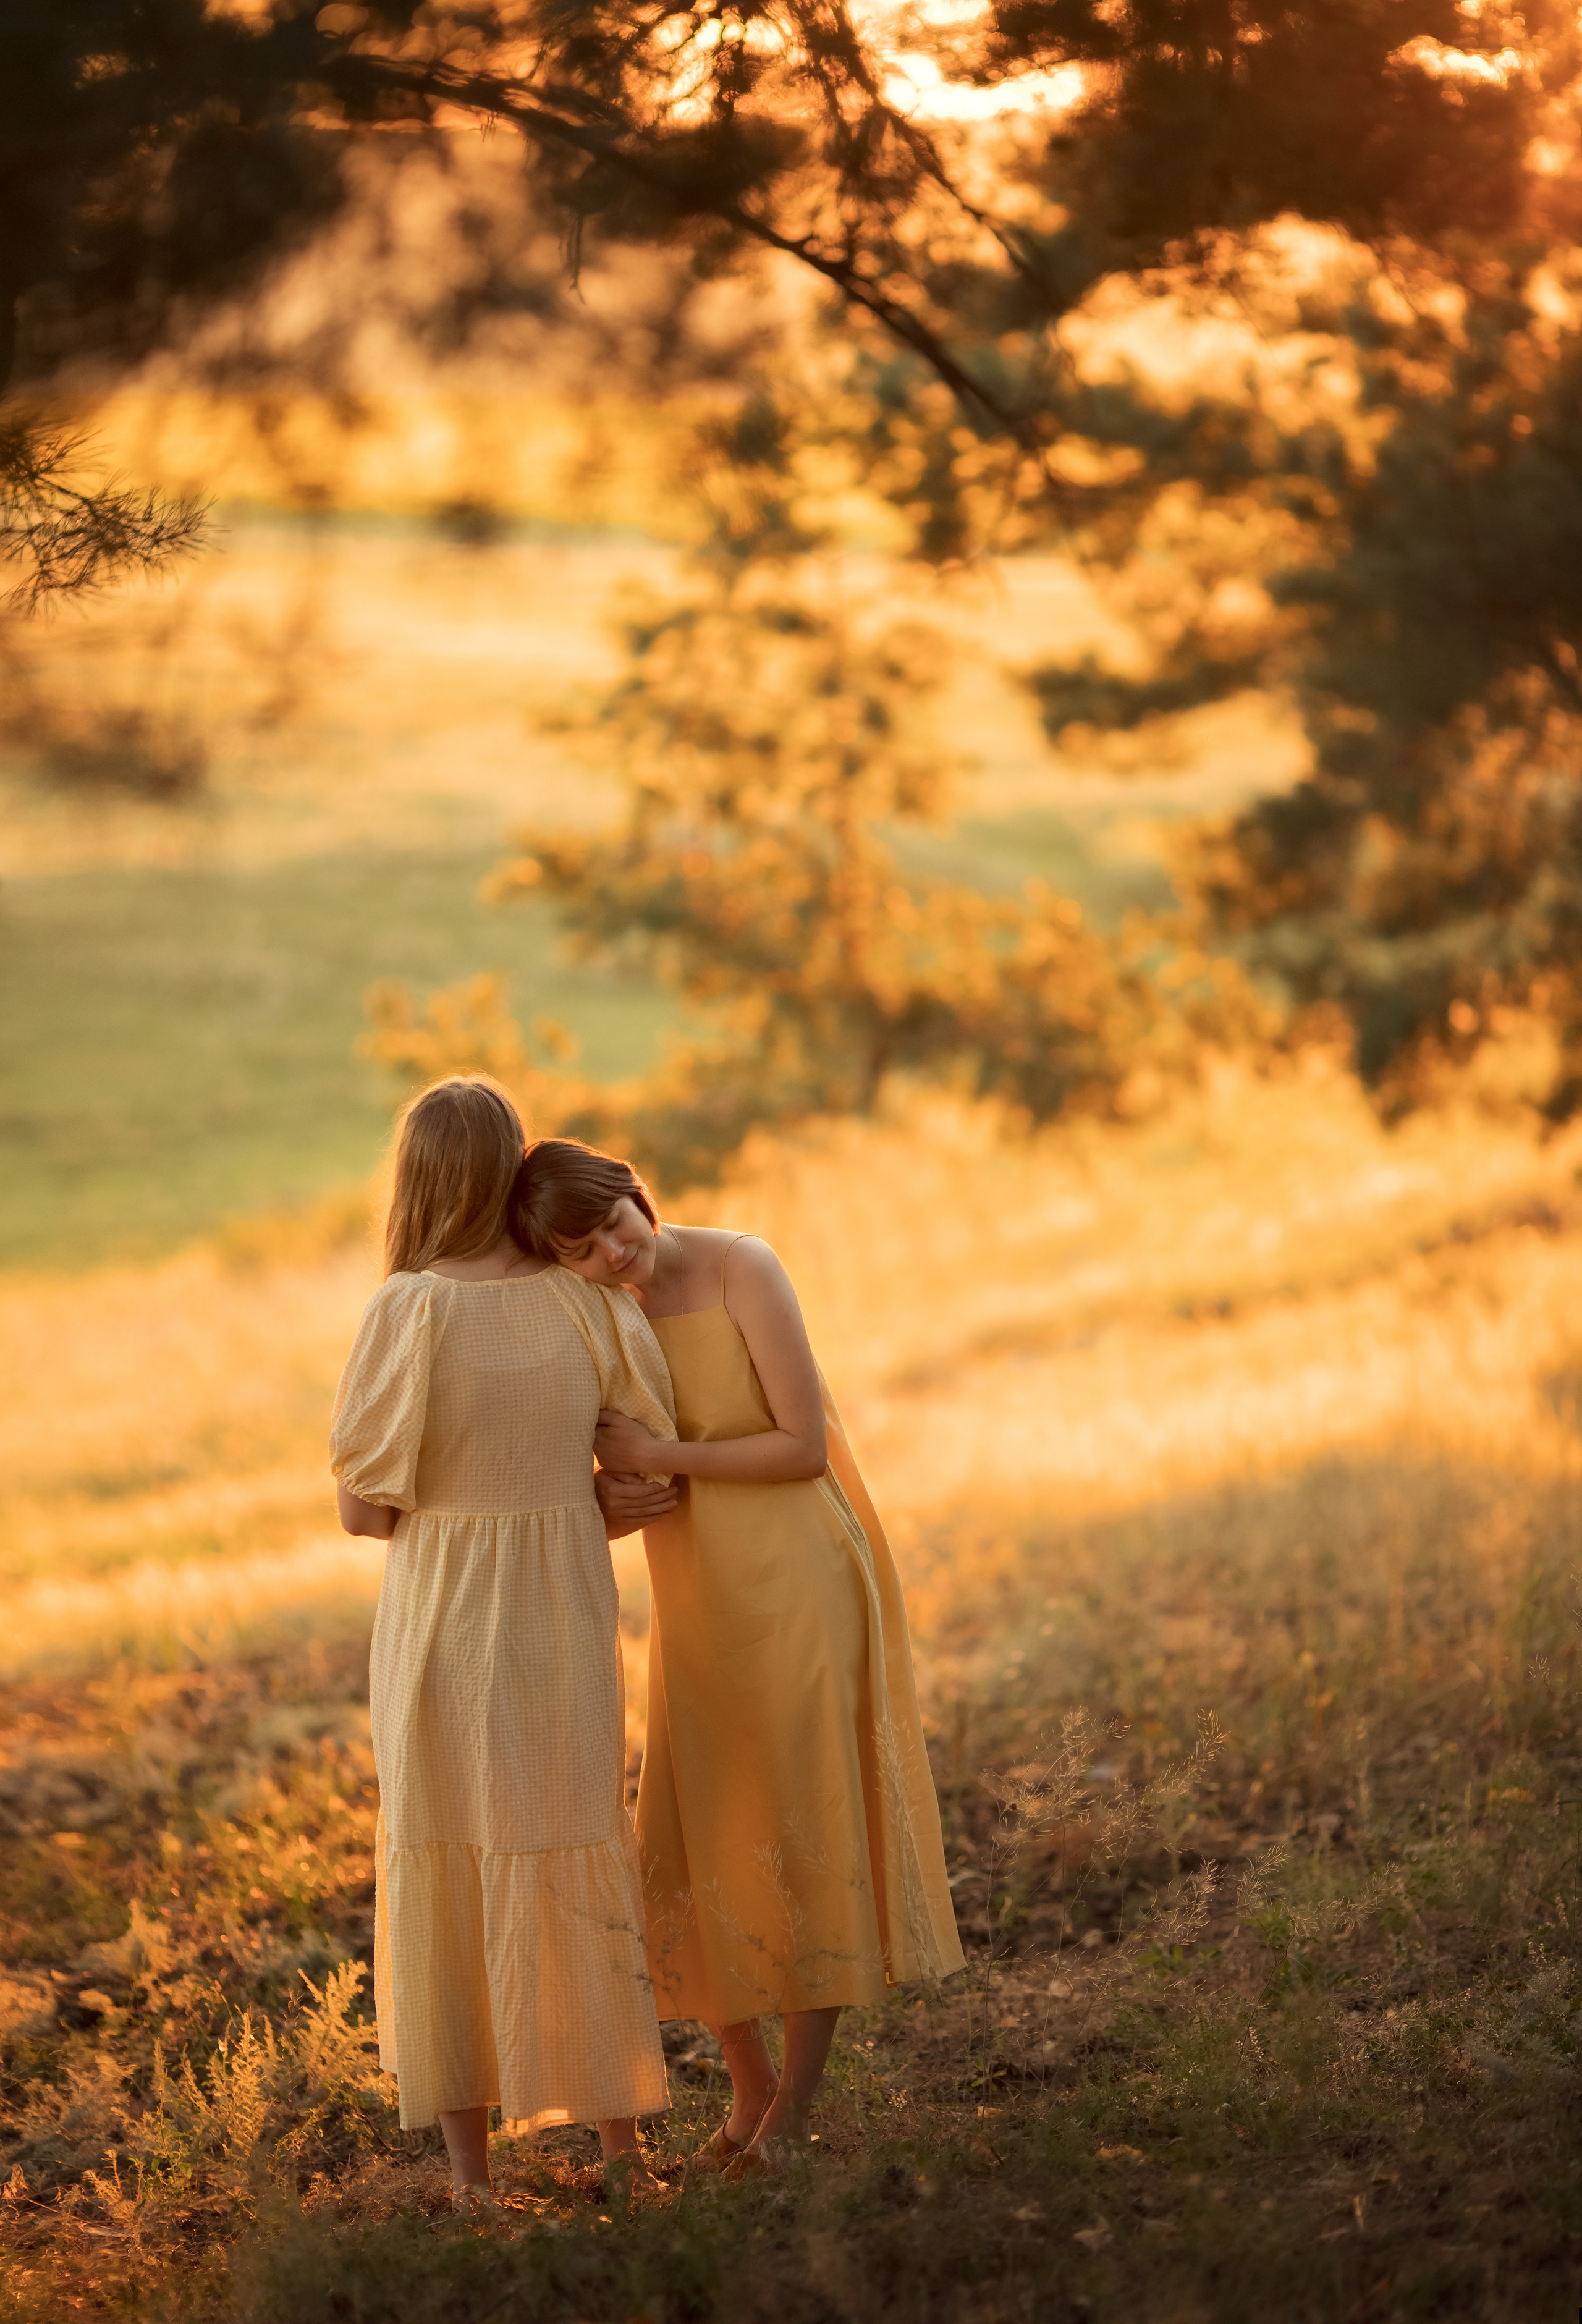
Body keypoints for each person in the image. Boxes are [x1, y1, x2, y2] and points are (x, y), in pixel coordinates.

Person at [515, 1138, 965, 2176]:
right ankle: (750, 2084)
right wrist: (606, 1495)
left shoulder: (739, 1266)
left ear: (636, 1187)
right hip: (697, 1601)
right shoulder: (594, 1312)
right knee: (691, 1833)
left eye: (614, 1222)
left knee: (806, 1823)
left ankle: (793, 2115)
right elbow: (613, 1478)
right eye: (580, 1251)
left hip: (799, 1577)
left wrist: (657, 1458)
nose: (612, 1253)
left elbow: (800, 1444)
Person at [330, 1077, 679, 2205]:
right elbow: (645, 1468)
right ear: (514, 1163)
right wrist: (570, 1499)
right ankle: (624, 2151)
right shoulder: (585, 1298)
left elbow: (363, 1511)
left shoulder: (408, 1306)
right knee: (575, 1843)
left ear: (422, 1176)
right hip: (560, 1606)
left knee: (448, 1859)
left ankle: (473, 2177)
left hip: (438, 1616)